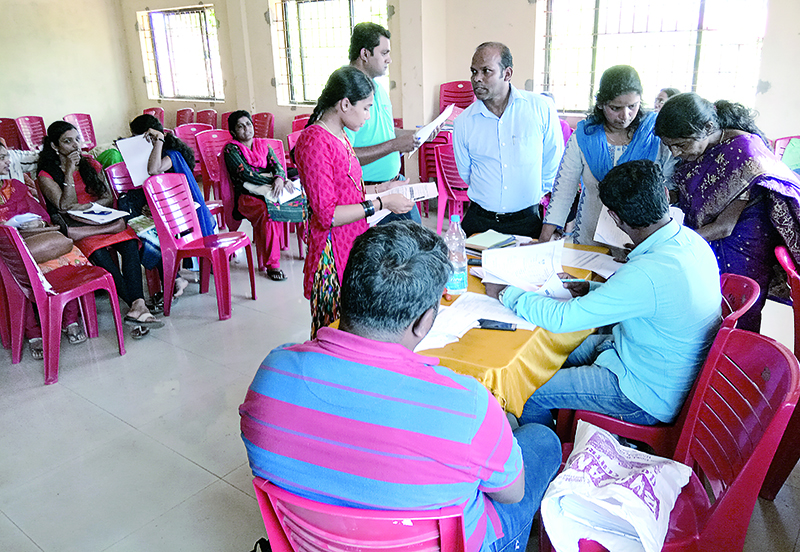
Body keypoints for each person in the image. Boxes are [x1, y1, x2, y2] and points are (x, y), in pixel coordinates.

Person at [239, 221, 562, 552]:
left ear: (346, 290)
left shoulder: (271, 376)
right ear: (423, 322)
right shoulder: (467, 404)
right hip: (460, 542)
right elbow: (511, 493)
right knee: (542, 440)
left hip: (310, 542)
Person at [486, 160, 721, 428]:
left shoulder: (647, 273)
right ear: (665, 195)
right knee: (549, 350)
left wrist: (508, 293)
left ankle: (548, 444)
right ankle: (561, 420)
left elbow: (564, 319)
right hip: (651, 361)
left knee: (526, 391)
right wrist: (592, 289)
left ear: (615, 218)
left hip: (642, 392)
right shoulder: (691, 242)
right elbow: (649, 300)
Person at [655, 92, 800, 332]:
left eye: (681, 145)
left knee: (733, 317)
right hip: (711, 239)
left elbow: (724, 226)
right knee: (702, 315)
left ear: (709, 126)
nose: (676, 153)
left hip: (740, 247)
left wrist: (669, 242)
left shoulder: (743, 153)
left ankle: (730, 366)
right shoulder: (707, 147)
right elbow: (692, 193)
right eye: (670, 146)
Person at [293, 65, 413, 337]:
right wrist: (383, 203)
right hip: (331, 255)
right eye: (367, 108)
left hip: (350, 245)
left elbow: (349, 191)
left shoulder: (340, 136)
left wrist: (385, 188)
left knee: (355, 332)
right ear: (345, 104)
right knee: (334, 335)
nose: (369, 117)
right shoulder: (315, 141)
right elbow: (327, 215)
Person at [37, 121, 163, 339]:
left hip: (101, 218)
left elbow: (106, 196)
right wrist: (68, 171)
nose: (75, 145)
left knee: (130, 244)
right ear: (54, 146)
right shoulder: (45, 174)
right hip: (78, 228)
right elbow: (63, 206)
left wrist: (91, 208)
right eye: (67, 141)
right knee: (101, 255)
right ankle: (137, 306)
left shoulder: (91, 164)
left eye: (77, 139)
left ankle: (138, 306)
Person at [540, 66, 675, 249]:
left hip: (642, 242)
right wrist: (543, 241)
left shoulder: (655, 136)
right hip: (590, 239)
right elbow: (564, 190)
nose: (625, 116)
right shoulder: (584, 136)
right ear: (601, 103)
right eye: (616, 108)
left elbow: (669, 190)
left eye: (632, 106)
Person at [453, 42, 563, 238]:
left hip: (527, 221)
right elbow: (466, 172)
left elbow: (553, 161)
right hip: (479, 221)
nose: (477, 79)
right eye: (473, 71)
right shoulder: (464, 122)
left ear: (507, 74)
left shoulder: (540, 109)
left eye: (486, 71)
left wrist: (531, 195)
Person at [0, 138, 90, 358]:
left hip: (35, 241)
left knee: (68, 255)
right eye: (1, 158)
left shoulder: (16, 186)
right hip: (6, 252)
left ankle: (69, 319)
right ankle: (33, 333)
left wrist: (36, 223)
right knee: (14, 272)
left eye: (5, 157)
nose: (7, 162)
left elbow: (42, 215)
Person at [344, 22, 421, 224]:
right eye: (384, 52)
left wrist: (416, 135)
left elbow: (385, 132)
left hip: (393, 185)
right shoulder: (347, 93)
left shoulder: (378, 88)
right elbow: (346, 156)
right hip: (368, 193)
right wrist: (395, 146)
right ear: (365, 54)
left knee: (419, 246)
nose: (389, 59)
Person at [223, 110, 290, 281]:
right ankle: (272, 264)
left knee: (297, 201)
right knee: (268, 212)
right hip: (246, 197)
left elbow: (278, 166)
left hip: (267, 192)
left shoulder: (263, 146)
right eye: (240, 126)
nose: (246, 129)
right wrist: (271, 181)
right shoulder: (231, 150)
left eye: (248, 124)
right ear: (233, 132)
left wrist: (280, 178)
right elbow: (245, 174)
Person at [129, 114, 216, 238]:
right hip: (169, 208)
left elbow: (154, 170)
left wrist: (159, 139)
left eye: (136, 137)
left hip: (184, 212)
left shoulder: (171, 154)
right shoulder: (151, 154)